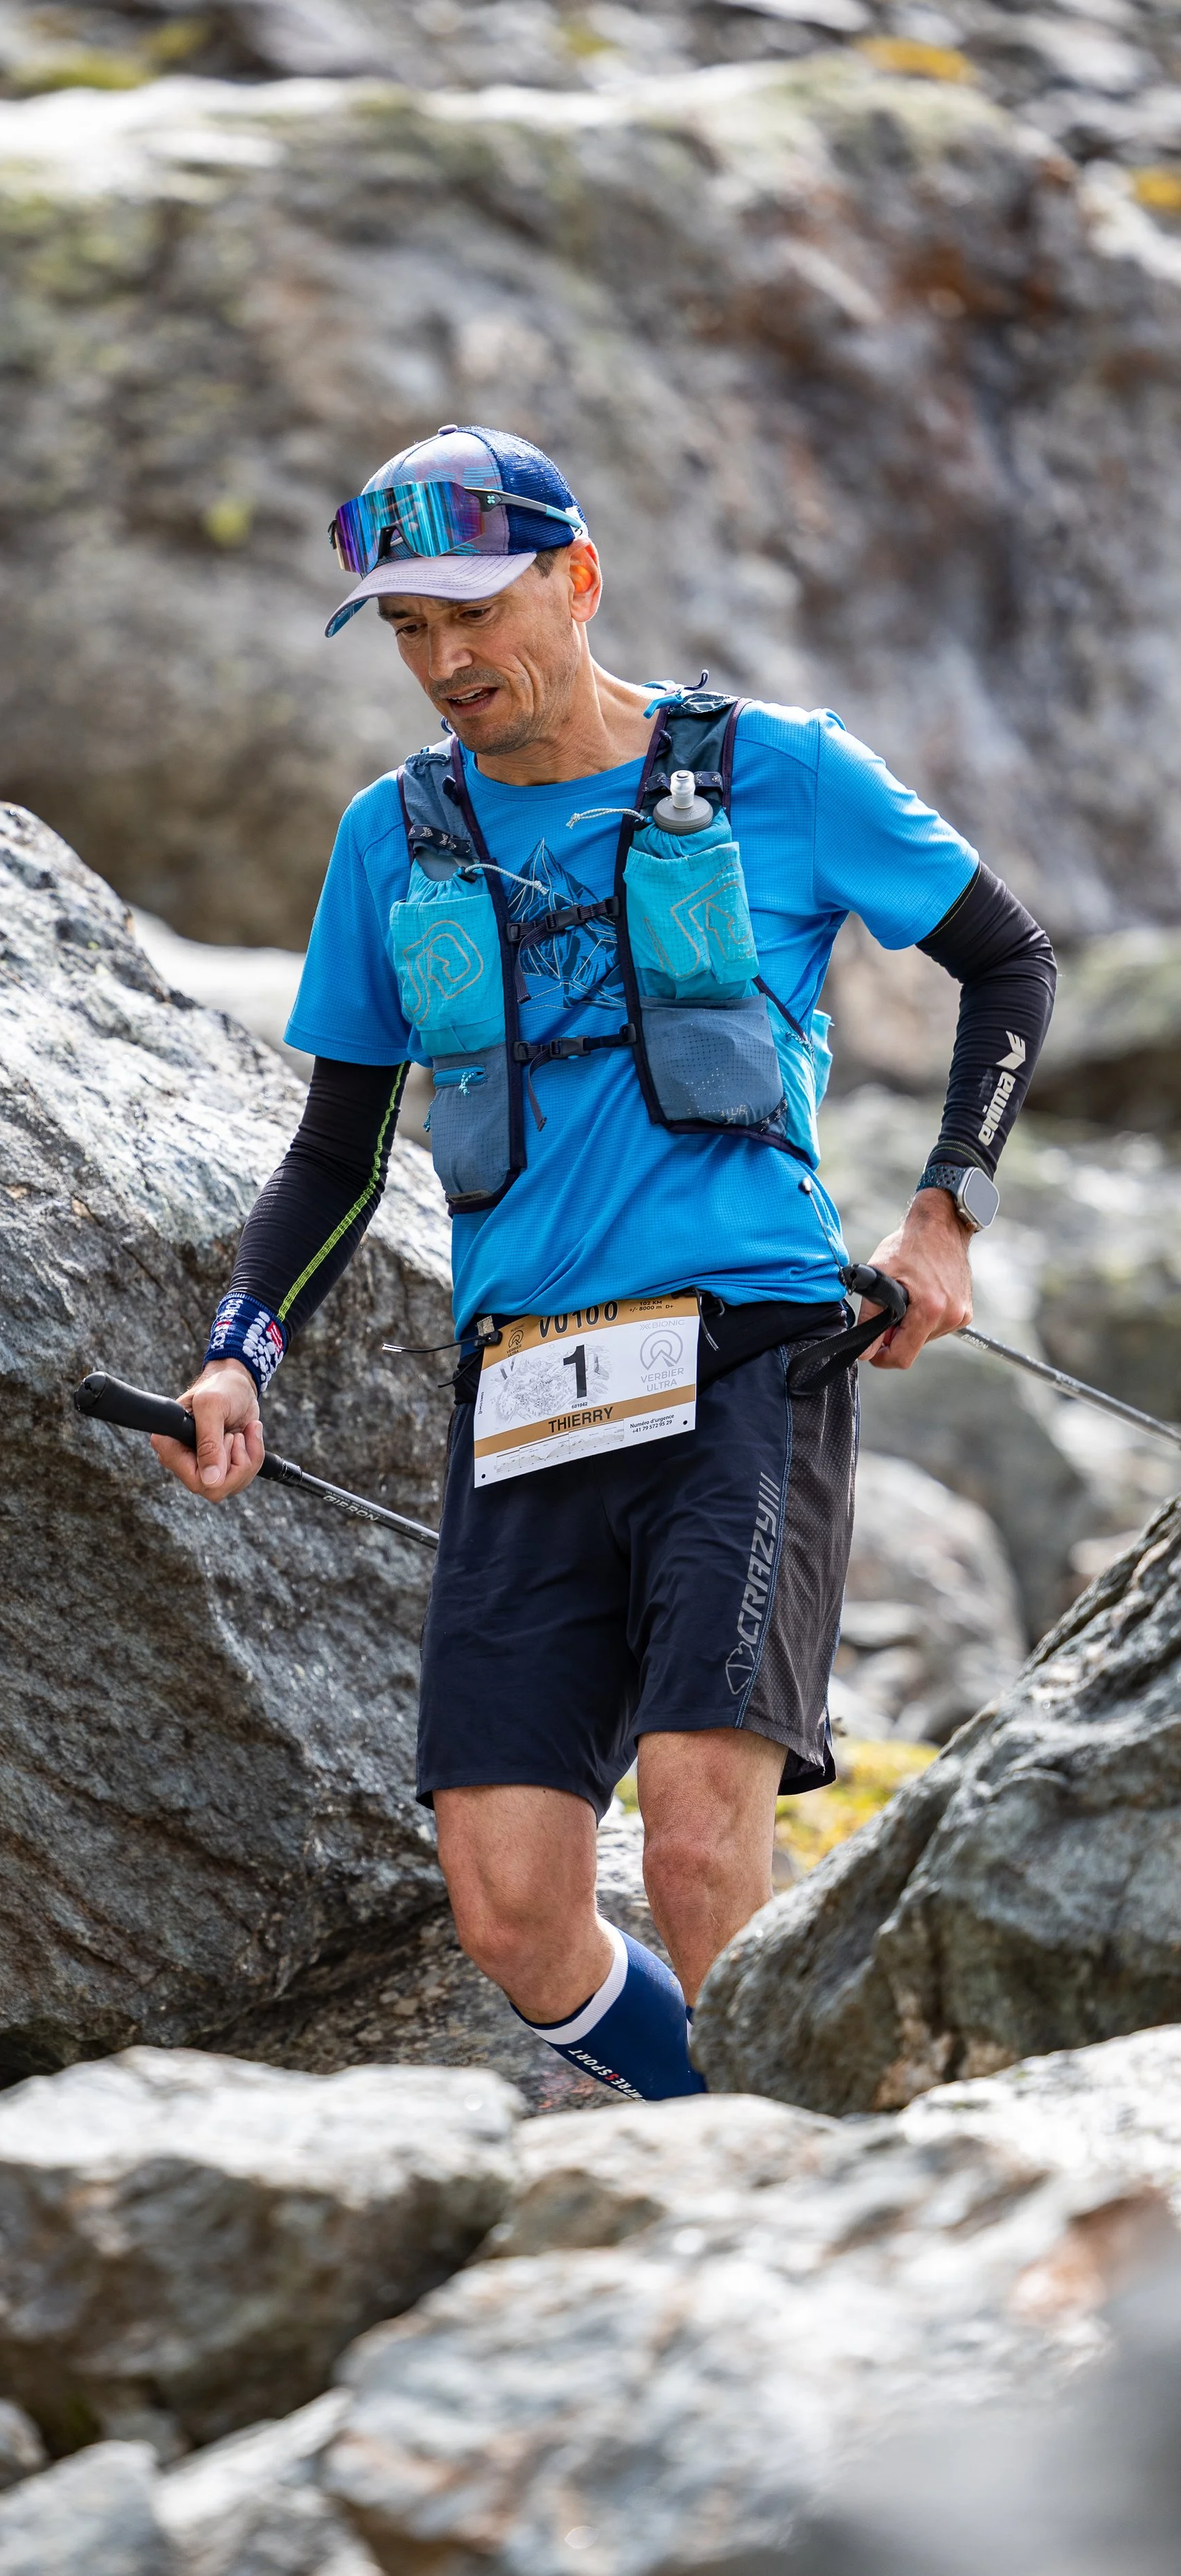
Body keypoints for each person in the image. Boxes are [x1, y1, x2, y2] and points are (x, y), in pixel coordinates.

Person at [151, 425, 1055, 2099]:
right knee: (508, 1908)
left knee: (703, 1844)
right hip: (525, 1388)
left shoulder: (778, 770)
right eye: (406, 633)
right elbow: (335, 1155)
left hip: (744, 1357)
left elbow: (1005, 961)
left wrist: (945, 1211)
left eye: (470, 615)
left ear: (575, 580)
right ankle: (759, 2141)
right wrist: (239, 1352)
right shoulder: (385, 839)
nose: (443, 663)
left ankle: (785, 2236)